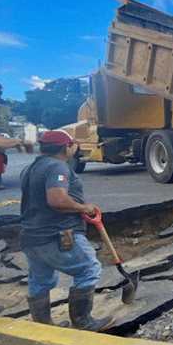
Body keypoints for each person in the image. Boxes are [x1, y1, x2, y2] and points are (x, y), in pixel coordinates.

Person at [20, 130, 113, 331]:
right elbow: (57, 200)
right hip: (57, 234)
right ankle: (83, 322)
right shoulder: (56, 167)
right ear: (65, 148)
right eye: (72, 145)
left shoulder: (31, 168)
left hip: (31, 237)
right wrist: (83, 207)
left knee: (40, 280)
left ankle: (44, 327)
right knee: (88, 269)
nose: (73, 148)